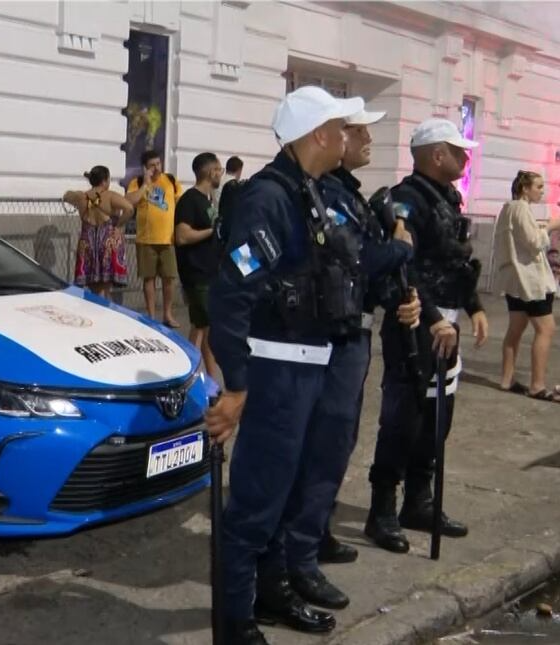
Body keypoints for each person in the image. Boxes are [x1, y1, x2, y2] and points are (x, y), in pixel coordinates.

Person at [205, 86, 369, 644]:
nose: (348, 138)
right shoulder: (269, 198)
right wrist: (237, 382)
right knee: (254, 503)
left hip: (310, 368)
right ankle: (234, 623)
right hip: (276, 371)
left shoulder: (310, 192)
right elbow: (231, 293)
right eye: (341, 129)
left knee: (285, 493)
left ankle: (272, 594)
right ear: (318, 134)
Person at [364, 118, 489, 554]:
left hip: (446, 321)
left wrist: (472, 306)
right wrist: (434, 316)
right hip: (416, 322)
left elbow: (455, 261)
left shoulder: (446, 197)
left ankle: (419, 500)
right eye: (459, 151)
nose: (465, 157)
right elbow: (405, 267)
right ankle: (382, 509)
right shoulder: (405, 201)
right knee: (405, 416)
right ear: (437, 154)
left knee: (439, 415)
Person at [317, 108, 422, 566]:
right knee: (323, 439)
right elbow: (357, 256)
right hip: (325, 337)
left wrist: (404, 300)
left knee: (340, 439)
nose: (367, 137)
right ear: (332, 137)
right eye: (357, 129)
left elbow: (369, 275)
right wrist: (400, 245)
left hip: (353, 333)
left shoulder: (351, 195)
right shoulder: (322, 193)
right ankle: (304, 539)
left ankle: (314, 529)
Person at [493, 170, 560, 400]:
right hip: (530, 281)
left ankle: (506, 379)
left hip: (516, 281)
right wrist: (551, 227)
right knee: (546, 329)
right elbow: (533, 242)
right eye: (539, 187)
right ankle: (537, 385)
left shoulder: (508, 209)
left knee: (516, 329)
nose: (542, 191)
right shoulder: (520, 208)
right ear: (525, 188)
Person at [174, 152, 224, 376]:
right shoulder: (189, 200)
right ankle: (187, 374)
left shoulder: (208, 200)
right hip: (197, 274)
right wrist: (213, 231)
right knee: (200, 327)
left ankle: (212, 382)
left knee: (207, 329)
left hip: (210, 272)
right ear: (210, 171)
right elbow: (182, 236)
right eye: (219, 169)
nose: (221, 174)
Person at [126, 150, 184, 327]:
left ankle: (167, 314)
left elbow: (181, 204)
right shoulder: (137, 182)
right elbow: (130, 201)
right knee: (148, 278)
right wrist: (146, 184)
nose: (156, 168)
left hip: (168, 239)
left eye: (158, 164)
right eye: (152, 165)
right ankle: (151, 315)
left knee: (169, 278)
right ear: (145, 167)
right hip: (146, 239)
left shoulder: (171, 181)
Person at [64, 166, 135, 299]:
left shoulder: (81, 196)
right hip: (106, 242)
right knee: (105, 288)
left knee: (93, 287)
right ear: (104, 181)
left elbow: (67, 195)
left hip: (87, 243)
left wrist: (79, 194)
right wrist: (118, 226)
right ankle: (102, 313)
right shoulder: (110, 196)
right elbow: (129, 209)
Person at [218, 155, 246, 220]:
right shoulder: (235, 186)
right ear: (239, 170)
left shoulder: (217, 182)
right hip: (228, 219)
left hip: (215, 218)